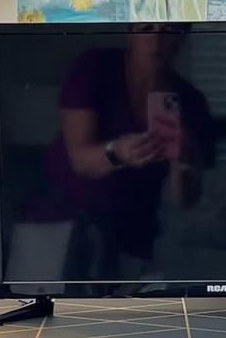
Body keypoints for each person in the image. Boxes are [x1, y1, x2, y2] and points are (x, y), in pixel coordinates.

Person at [42, 22, 211, 277]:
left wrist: (183, 162)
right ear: (130, 31)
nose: (155, 41)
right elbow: (80, 160)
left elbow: (185, 200)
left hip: (134, 231)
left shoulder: (191, 102)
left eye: (168, 31)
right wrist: (117, 152)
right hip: (63, 219)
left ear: (183, 36)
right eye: (146, 29)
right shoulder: (95, 68)